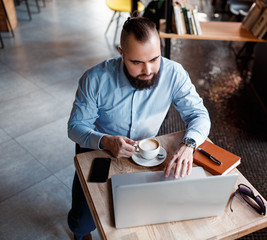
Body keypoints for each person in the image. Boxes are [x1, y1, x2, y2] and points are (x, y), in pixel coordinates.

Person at [67, 13, 211, 240]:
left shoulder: (174, 73)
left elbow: (198, 115)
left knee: (140, 210)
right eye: (136, 62)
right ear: (121, 52)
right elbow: (75, 127)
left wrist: (189, 144)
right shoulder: (95, 79)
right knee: (83, 218)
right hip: (97, 149)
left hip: (146, 152)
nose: (148, 70)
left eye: (154, 59)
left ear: (161, 48)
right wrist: (105, 140)